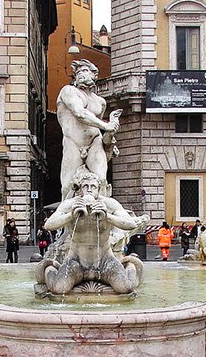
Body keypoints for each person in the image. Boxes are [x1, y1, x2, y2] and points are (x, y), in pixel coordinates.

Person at [40, 171, 143, 294]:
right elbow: (49, 225)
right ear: (80, 189)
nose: (89, 190)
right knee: (58, 289)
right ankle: (50, 269)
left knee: (125, 288)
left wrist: (107, 216)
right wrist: (71, 215)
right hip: (76, 260)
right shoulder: (70, 204)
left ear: (98, 189)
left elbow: (130, 224)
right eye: (85, 186)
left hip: (105, 260)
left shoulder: (109, 204)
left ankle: (129, 266)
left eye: (93, 186)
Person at [56, 59, 122, 199]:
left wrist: (109, 139)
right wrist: (106, 125)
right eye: (78, 72)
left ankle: (101, 216)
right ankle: (67, 216)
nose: (80, 74)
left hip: (95, 142)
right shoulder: (68, 91)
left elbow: (96, 125)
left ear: (94, 75)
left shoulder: (100, 102)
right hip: (73, 141)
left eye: (85, 71)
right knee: (67, 187)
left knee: (101, 181)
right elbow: (79, 113)